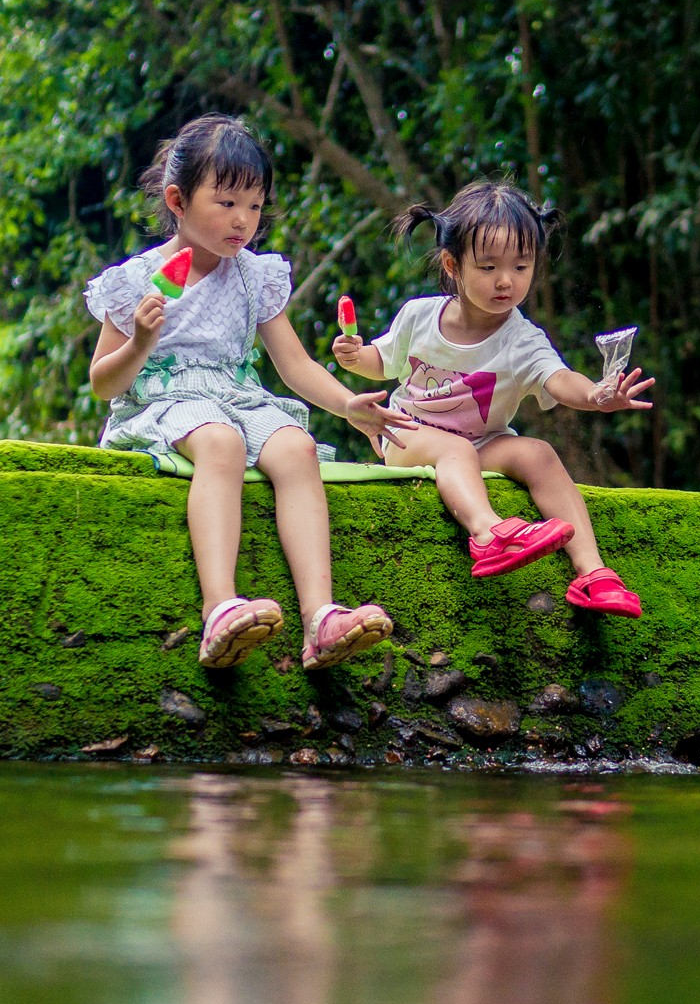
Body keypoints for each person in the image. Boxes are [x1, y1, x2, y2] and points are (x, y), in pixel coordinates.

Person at [85, 114, 410, 668]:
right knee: (222, 444)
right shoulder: (136, 280)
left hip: (238, 395)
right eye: (227, 203)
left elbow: (293, 364)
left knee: (296, 448)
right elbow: (101, 383)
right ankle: (219, 609)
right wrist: (140, 340)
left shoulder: (253, 276)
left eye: (255, 207)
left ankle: (321, 618)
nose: (243, 222)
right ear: (178, 201)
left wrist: (345, 403)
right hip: (165, 398)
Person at [332, 180, 654, 617]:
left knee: (538, 453)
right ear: (453, 264)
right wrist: (354, 356)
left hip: (484, 442)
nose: (506, 281)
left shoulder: (522, 338)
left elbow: (559, 379)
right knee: (454, 449)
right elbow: (381, 363)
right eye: (488, 268)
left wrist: (597, 396)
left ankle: (593, 573)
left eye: (521, 267)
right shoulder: (419, 315)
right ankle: (487, 535)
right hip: (410, 435)